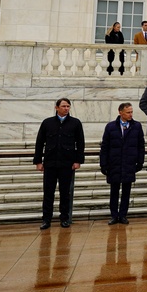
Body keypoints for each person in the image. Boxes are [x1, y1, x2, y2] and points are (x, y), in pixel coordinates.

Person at [34, 98, 85, 229]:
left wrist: (78, 160)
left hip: (67, 163)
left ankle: (64, 218)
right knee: (48, 192)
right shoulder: (47, 123)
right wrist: (38, 161)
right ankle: (46, 219)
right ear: (57, 107)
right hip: (50, 163)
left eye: (68, 106)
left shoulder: (75, 123)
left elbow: (80, 143)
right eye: (63, 106)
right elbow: (40, 142)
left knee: (65, 192)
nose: (66, 108)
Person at [100, 102, 144, 224]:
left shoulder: (136, 126)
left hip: (129, 162)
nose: (130, 114)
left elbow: (141, 145)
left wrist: (140, 161)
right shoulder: (110, 127)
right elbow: (105, 146)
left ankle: (123, 214)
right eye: (128, 112)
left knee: (126, 190)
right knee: (114, 191)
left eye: (131, 112)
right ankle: (114, 215)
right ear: (120, 112)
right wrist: (103, 164)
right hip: (114, 162)